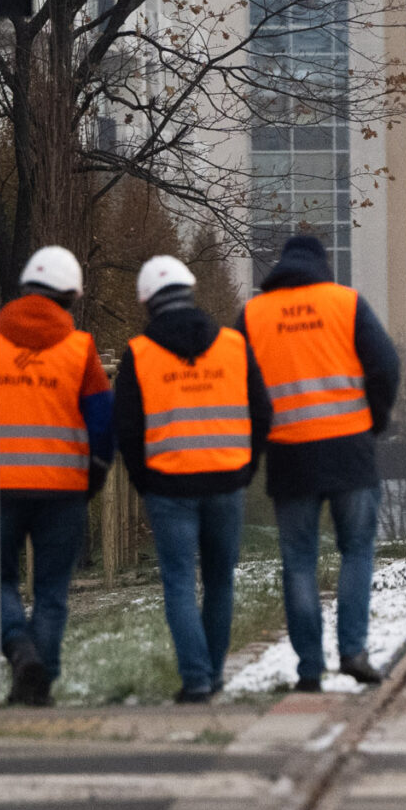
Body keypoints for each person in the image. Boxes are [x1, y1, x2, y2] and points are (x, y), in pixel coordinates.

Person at [238, 232, 401, 693]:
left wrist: (255, 442)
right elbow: (386, 364)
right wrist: (375, 418)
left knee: (298, 562)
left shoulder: (253, 315)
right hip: (350, 449)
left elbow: (237, 383)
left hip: (289, 455)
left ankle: (309, 668)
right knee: (357, 551)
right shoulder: (344, 304)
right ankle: (353, 651)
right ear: (322, 264)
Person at [114, 256, 269, 703]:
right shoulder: (234, 346)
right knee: (220, 581)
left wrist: (147, 482)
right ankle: (213, 674)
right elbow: (261, 412)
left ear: (147, 301)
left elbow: (126, 429)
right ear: (191, 292)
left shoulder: (140, 354)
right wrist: (244, 467)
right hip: (226, 482)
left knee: (179, 582)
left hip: (169, 486)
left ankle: (197, 679)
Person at [0, 245, 113, 705]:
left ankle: (21, 653)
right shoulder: (81, 350)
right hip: (62, 490)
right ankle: (40, 681)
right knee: (51, 590)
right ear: (69, 296)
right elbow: (102, 422)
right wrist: (95, 476)